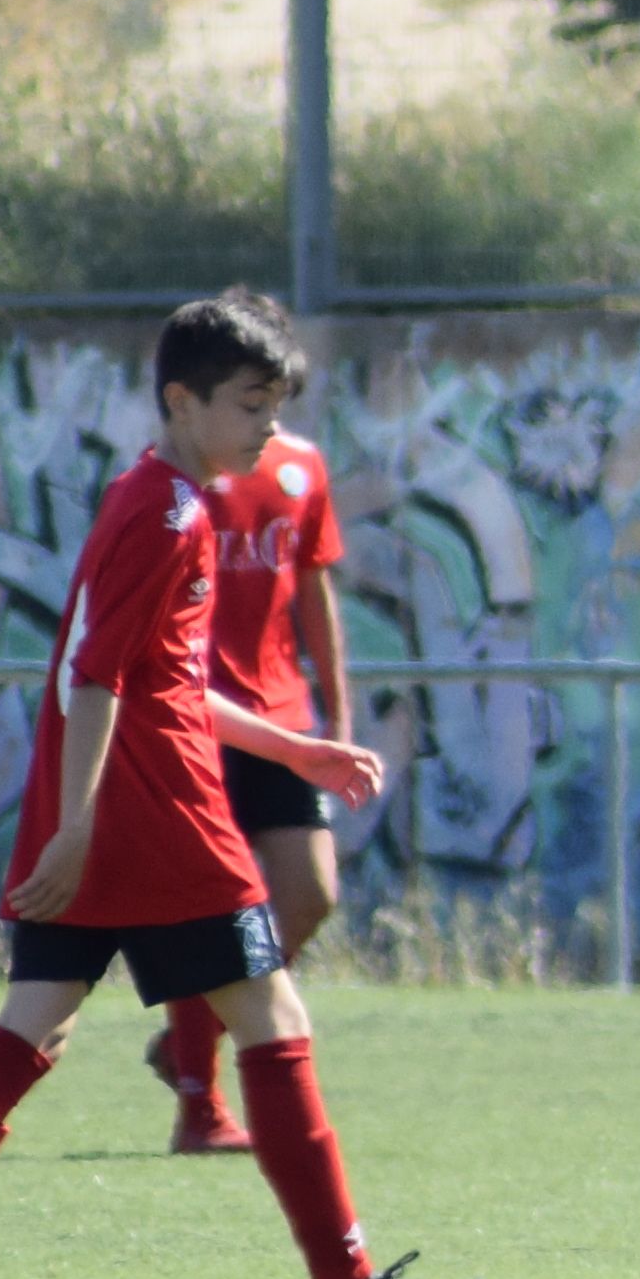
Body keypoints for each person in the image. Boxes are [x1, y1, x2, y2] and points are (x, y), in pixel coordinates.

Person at [0, 293, 489, 1279]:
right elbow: (95, 678)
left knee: (31, 1028)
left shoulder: (153, 494)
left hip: (100, 814)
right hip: (161, 820)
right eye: (250, 402)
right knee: (272, 1019)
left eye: (278, 403)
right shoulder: (175, 513)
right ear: (182, 400)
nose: (269, 425)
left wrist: (293, 750)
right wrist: (84, 827)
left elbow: (161, 675)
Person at [145, 396, 362, 1155]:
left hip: (281, 718)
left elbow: (314, 589)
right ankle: (199, 1110)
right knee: (206, 908)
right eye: (247, 392)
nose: (264, 409)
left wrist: (337, 715)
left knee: (311, 893)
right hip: (195, 723)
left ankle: (190, 1040)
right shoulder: (175, 481)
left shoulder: (301, 466)